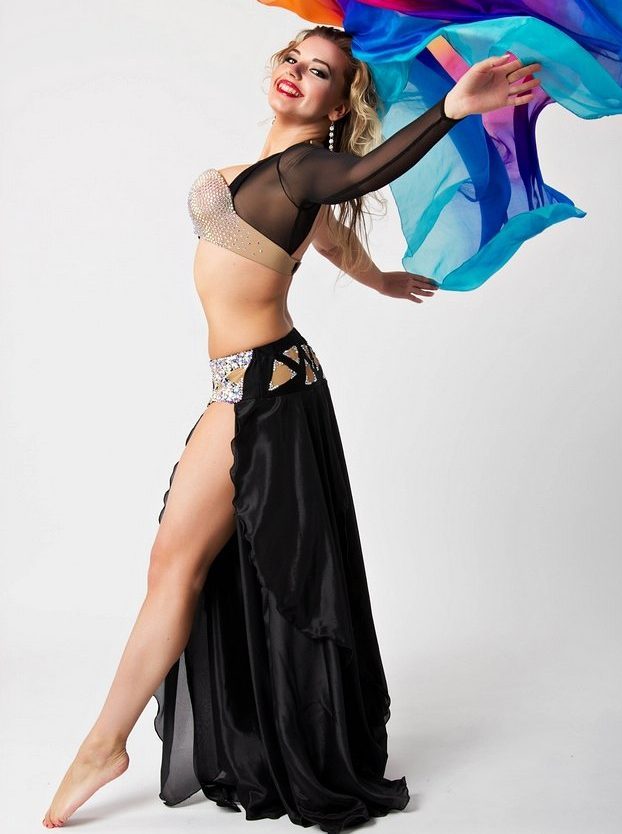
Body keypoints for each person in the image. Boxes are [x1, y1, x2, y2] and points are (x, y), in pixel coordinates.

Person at [42, 25, 541, 832]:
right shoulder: (267, 176)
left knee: (174, 565)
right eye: (293, 59)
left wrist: (451, 108)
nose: (297, 74)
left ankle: (105, 745)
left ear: (338, 104)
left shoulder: (309, 165)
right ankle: (112, 742)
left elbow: (362, 174)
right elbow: (324, 233)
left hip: (264, 392)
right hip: (241, 388)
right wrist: (377, 278)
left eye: (321, 73)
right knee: (177, 565)